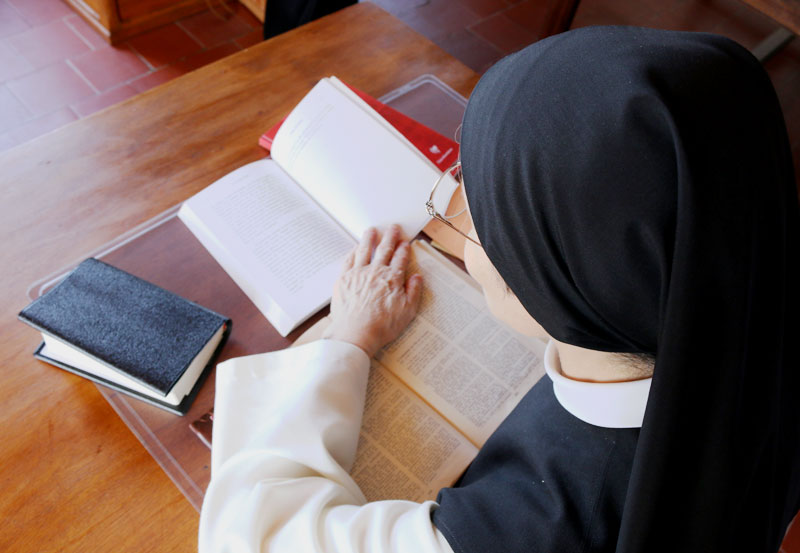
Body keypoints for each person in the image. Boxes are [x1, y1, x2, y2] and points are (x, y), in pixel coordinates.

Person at [198, 26, 800, 552]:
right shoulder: (746, 296)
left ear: (565, 290)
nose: (456, 221)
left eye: (482, 217)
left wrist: (343, 345)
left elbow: (251, 535)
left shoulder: (540, 529)